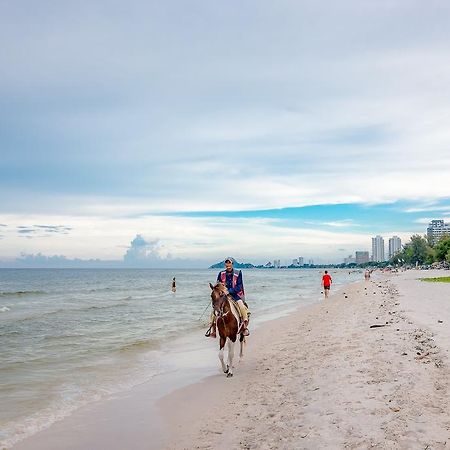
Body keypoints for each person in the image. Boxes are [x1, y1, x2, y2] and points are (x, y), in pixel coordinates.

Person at [206, 257, 250, 338]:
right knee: (215, 309)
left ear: (232, 264)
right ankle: (213, 329)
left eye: (229, 263)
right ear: (225, 264)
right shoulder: (221, 273)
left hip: (235, 295)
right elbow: (217, 285)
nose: (228, 265)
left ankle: (244, 327)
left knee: (241, 306)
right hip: (223, 296)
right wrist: (217, 290)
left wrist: (229, 291)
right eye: (226, 263)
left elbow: (239, 286)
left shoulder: (238, 273)